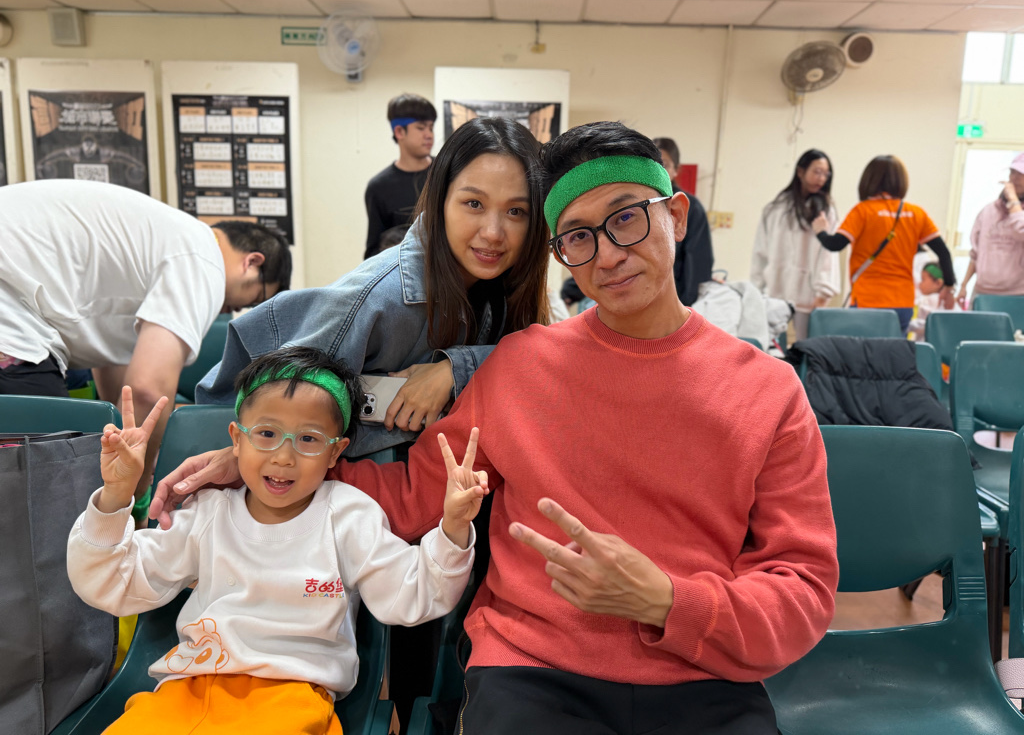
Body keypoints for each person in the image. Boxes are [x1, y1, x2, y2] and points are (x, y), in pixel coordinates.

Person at [155, 122, 838, 735]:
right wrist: (270, 461)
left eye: (627, 218)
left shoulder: (768, 391)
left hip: (703, 677)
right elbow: (416, 495)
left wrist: (669, 602)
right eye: (579, 236)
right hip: (533, 672)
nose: (607, 255)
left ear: (676, 216)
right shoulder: (517, 364)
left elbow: (803, 590)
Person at [68, 346, 483, 735]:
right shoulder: (208, 513)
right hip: (186, 688)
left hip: (293, 695)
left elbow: (413, 594)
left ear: (335, 453)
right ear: (236, 439)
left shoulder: (349, 515)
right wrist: (115, 496)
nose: (284, 457)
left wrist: (453, 528)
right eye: (266, 433)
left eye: (308, 439)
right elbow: (114, 582)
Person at [195, 117, 551, 459]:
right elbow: (271, 415)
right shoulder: (377, 298)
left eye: (516, 211)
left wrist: (455, 369)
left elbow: (540, 364)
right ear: (440, 201)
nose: (493, 232)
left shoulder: (500, 288)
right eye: (473, 204)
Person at [0, 179, 291, 498]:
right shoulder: (204, 260)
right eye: (255, 299)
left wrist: (122, 449)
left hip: (13, 295)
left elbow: (117, 373)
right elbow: (148, 391)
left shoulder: (163, 241)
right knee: (57, 492)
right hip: (11, 316)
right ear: (252, 262)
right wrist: (132, 493)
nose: (238, 309)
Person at [814, 155, 956, 333]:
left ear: (869, 179)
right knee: (894, 349)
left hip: (867, 300)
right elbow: (943, 252)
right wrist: (949, 287)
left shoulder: (862, 211)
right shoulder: (916, 214)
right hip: (902, 302)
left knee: (864, 348)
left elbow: (835, 244)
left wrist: (821, 231)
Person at [750, 149, 841, 341]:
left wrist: (824, 292)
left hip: (809, 296)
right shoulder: (775, 209)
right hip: (775, 292)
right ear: (800, 171)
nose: (821, 178)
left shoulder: (826, 212)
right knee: (773, 349)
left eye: (826, 174)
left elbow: (828, 256)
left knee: (806, 347)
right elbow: (760, 252)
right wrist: (756, 290)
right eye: (817, 172)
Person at [363, 93, 436, 259]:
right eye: (421, 128)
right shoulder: (379, 187)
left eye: (431, 128)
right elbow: (373, 253)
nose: (429, 135)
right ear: (399, 131)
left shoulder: (448, 172)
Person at [956, 152, 1024, 307]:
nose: (1015, 178)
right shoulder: (989, 211)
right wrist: (964, 285)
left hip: (1018, 294)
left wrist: (1014, 203)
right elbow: (976, 253)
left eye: (1021, 174)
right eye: (1013, 172)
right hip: (983, 291)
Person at [655, 136, 715, 306]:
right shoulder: (635, 203)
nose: (657, 170)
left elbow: (698, 262)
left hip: (675, 301)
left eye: (664, 165)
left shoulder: (691, 208)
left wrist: (685, 307)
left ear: (676, 170)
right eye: (651, 164)